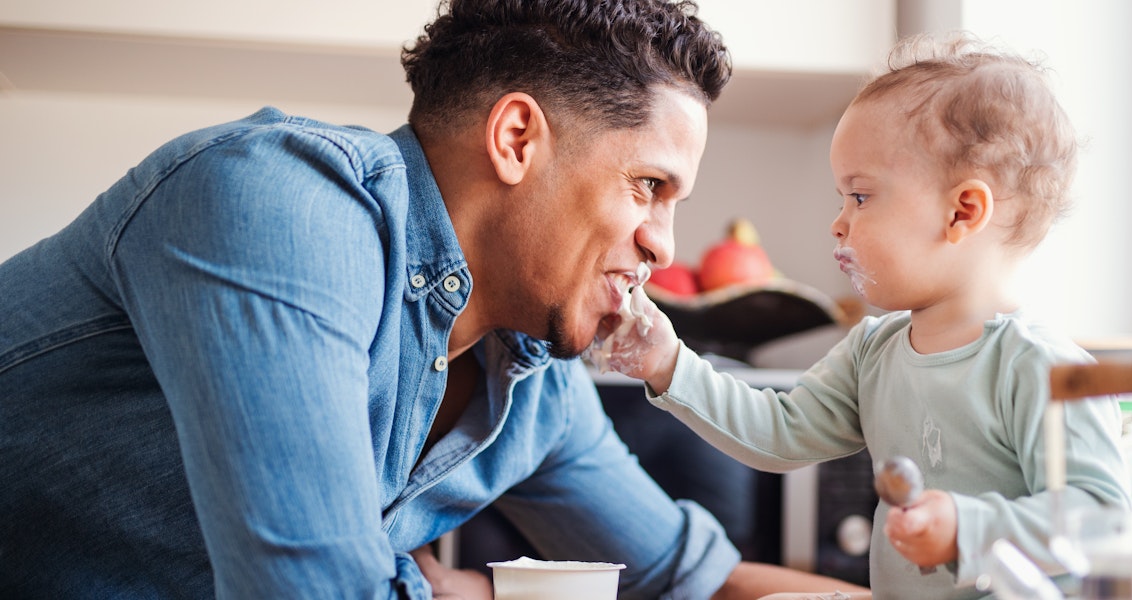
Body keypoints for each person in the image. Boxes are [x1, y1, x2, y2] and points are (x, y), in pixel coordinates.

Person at [0, 1, 868, 598]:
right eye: (648, 185)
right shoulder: (277, 201)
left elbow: (692, 581)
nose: (665, 245)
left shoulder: (531, 386)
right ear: (518, 137)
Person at [594, 32, 1132, 599]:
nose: (838, 222)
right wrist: (668, 363)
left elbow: (1102, 522)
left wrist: (968, 528)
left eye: (861, 197)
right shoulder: (873, 351)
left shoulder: (1046, 370)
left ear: (962, 211)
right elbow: (779, 433)